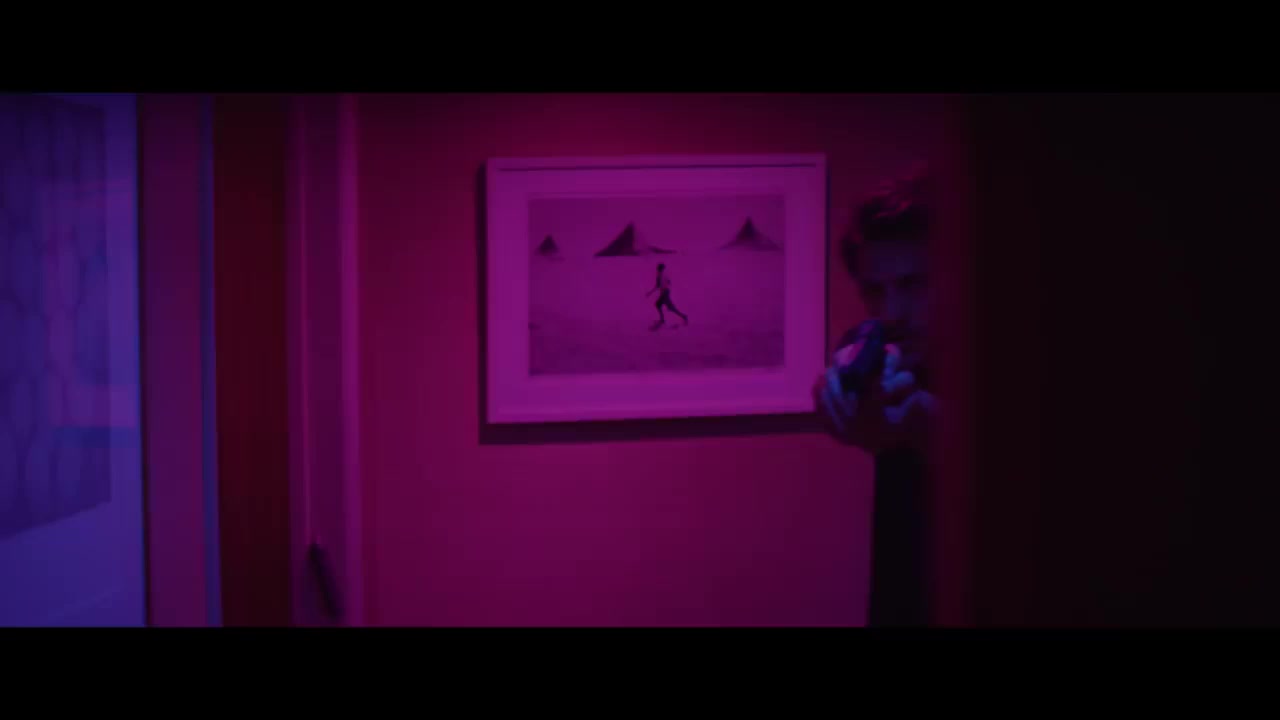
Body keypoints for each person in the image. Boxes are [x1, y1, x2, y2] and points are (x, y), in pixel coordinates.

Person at [813, 170, 940, 627]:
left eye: (913, 285)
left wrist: (925, 423)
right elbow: (855, 347)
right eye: (874, 290)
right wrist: (832, 388)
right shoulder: (890, 343)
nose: (892, 311)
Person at [646, 262, 689, 327]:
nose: (657, 270)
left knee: (669, 307)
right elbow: (666, 283)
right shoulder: (662, 275)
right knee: (659, 305)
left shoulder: (661, 275)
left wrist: (650, 292)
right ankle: (663, 319)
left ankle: (683, 316)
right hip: (665, 292)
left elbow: (659, 285)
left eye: (658, 269)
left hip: (664, 293)